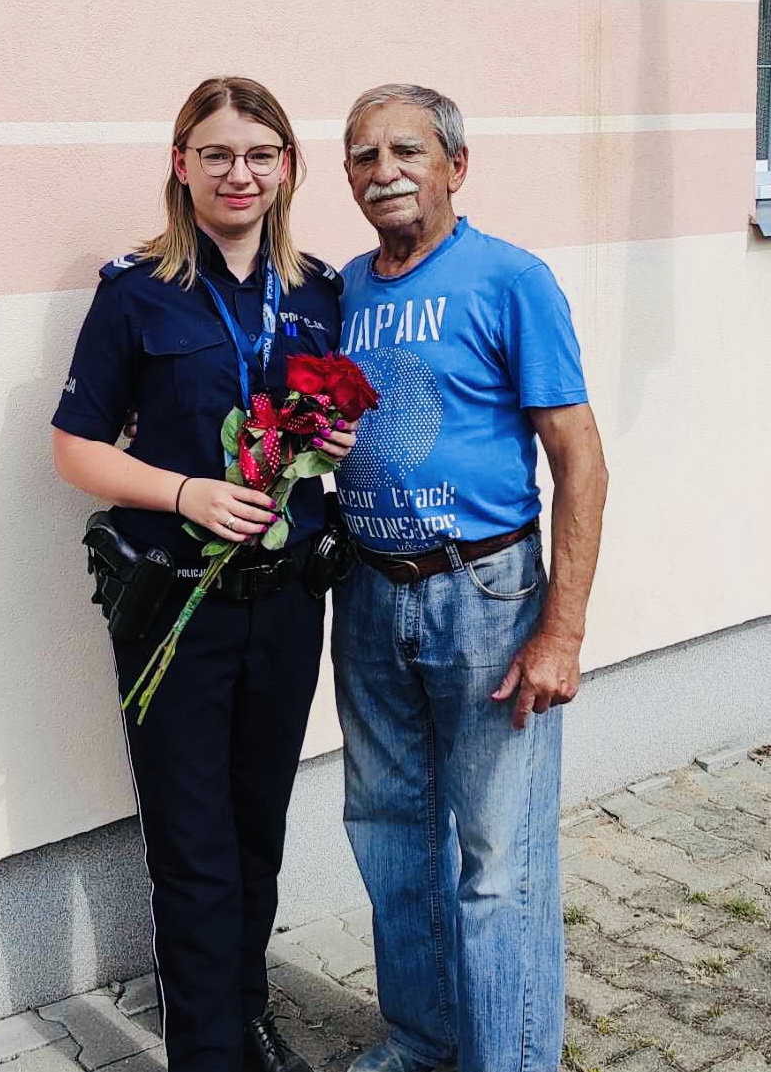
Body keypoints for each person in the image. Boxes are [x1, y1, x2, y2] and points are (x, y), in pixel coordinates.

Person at [51, 77, 354, 1072]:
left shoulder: (318, 289)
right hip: (174, 605)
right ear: (181, 163)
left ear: (288, 168)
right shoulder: (135, 290)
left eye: (261, 153)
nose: (240, 172)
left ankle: (246, 1007)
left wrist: (337, 439)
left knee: (256, 825)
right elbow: (74, 448)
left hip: (285, 603)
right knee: (191, 843)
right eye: (217, 153)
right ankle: (206, 1049)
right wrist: (185, 493)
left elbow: (317, 436)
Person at [330, 84, 608, 1072]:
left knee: (498, 864)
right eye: (360, 155)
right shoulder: (348, 289)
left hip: (484, 598)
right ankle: (422, 1036)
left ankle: (513, 1059)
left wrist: (561, 630)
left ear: (455, 163)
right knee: (390, 835)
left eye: (404, 149)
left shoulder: (510, 279)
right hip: (365, 594)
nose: (381, 170)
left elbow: (579, 456)